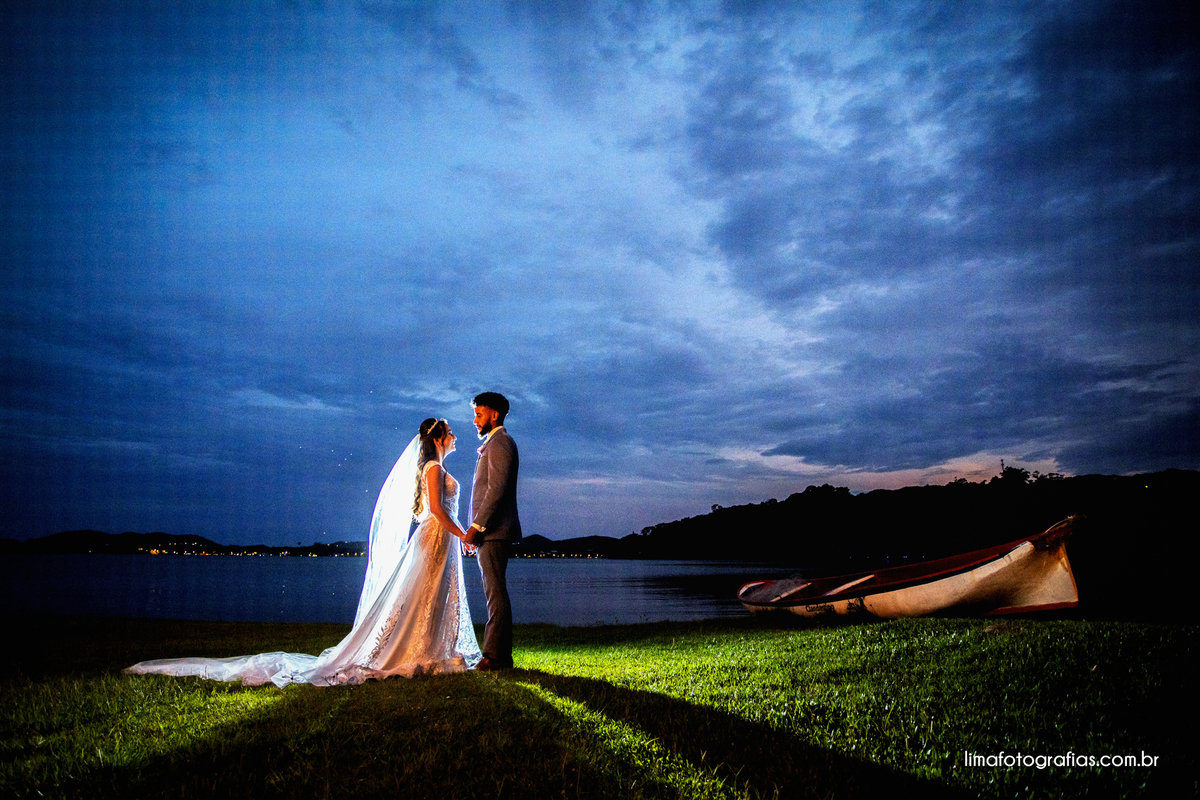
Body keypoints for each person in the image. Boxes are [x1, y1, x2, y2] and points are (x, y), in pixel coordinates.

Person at [125, 418, 481, 686]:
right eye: (449, 433)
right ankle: (416, 651)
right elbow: (436, 509)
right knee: (425, 596)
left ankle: (434, 648)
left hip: (440, 540)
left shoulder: (437, 467)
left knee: (433, 596)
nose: (454, 438)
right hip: (435, 537)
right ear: (437, 437)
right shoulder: (434, 468)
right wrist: (463, 532)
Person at [463, 392, 521, 671]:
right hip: (490, 531)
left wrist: (476, 527)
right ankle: (500, 656)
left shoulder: (501, 443)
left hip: (495, 531)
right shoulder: (494, 443)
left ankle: (495, 657)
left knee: (495, 593)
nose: (474, 420)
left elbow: (496, 490)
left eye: (478, 414)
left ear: (494, 414)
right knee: (493, 592)